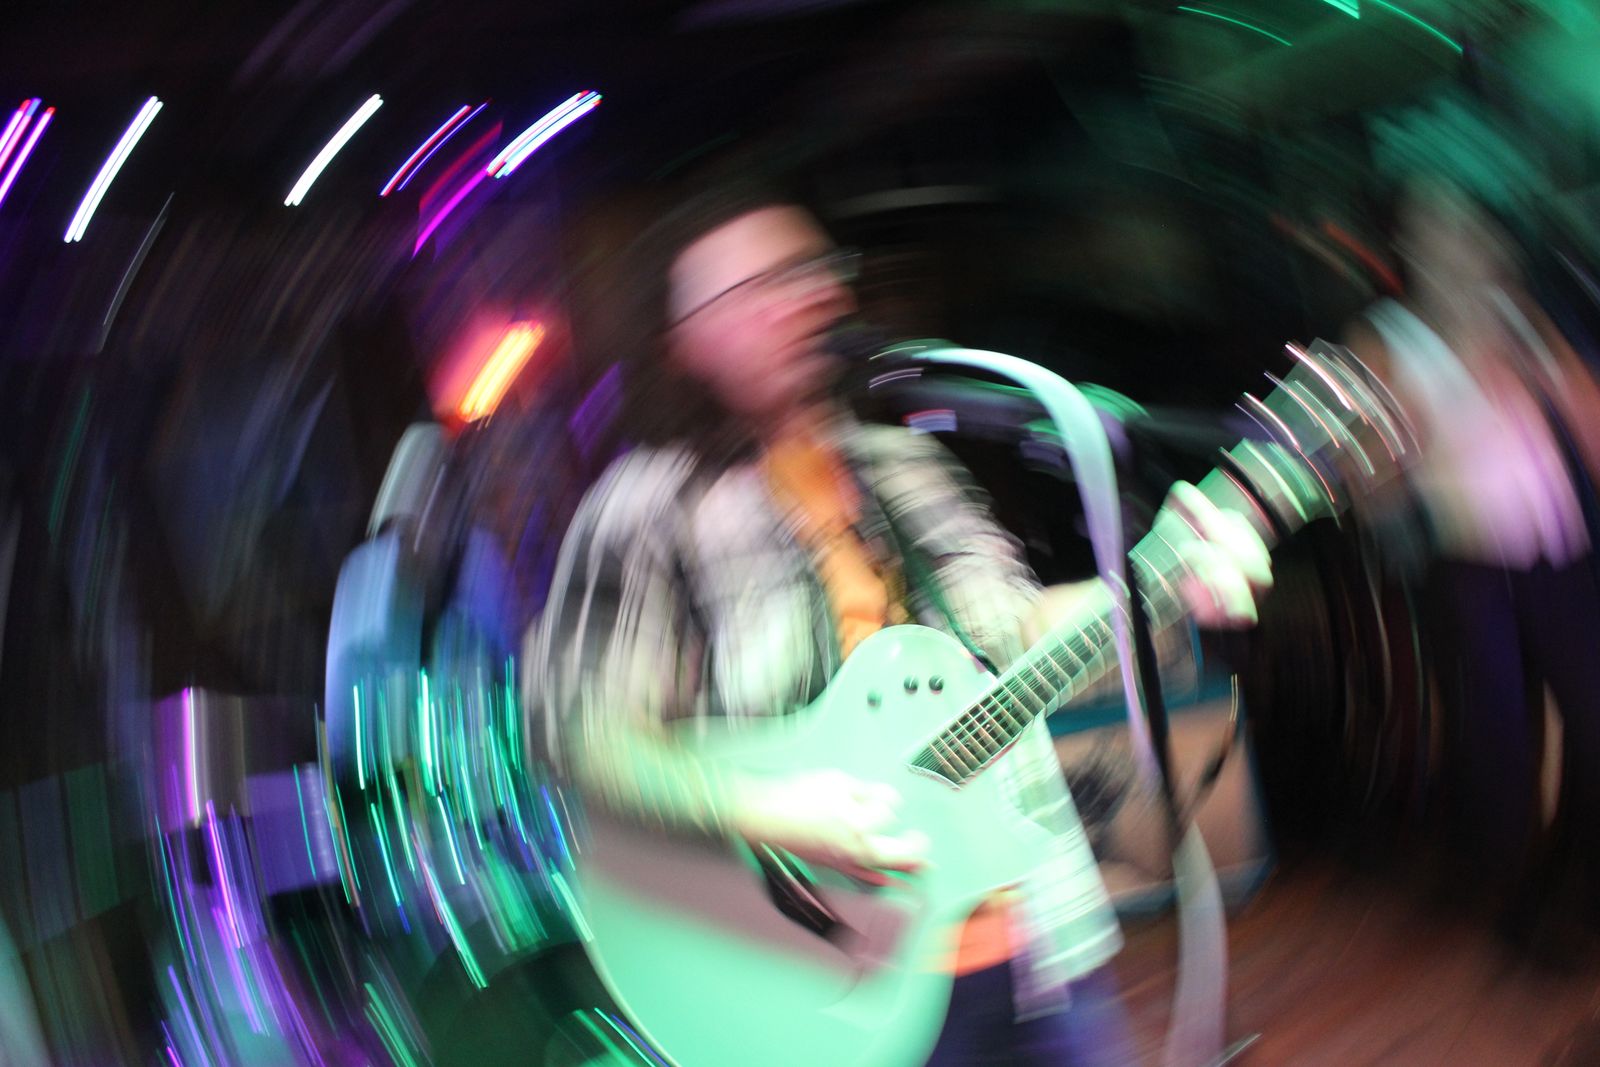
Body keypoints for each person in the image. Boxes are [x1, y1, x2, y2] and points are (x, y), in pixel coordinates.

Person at [529, 189, 1273, 1066]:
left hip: (1026, 939)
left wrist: (1167, 581)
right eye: (751, 288)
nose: (794, 299)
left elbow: (1015, 632)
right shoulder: (647, 510)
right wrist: (768, 808)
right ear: (684, 341)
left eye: (805, 272)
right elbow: (583, 731)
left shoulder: (907, 469)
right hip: (826, 977)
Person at [1345, 176, 1600, 941]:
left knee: (1592, 722)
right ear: (1414, 247)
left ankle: (1571, 887)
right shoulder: (1386, 336)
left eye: (1470, 232)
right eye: (1442, 232)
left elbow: (1587, 419)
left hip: (1560, 551)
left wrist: (1541, 371)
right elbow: (1370, 485)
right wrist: (1404, 444)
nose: (1462, 248)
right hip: (1472, 564)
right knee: (1501, 738)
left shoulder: (1516, 319)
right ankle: (1511, 898)